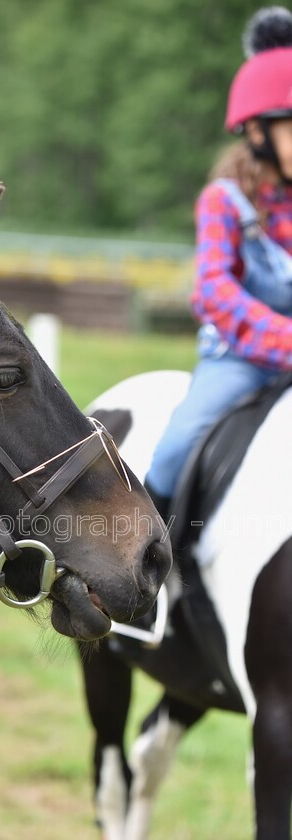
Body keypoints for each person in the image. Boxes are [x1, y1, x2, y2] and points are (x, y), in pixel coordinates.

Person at [145, 6, 292, 519]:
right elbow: (214, 291)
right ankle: (152, 572)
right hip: (240, 363)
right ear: (256, 131)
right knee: (175, 449)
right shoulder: (223, 201)